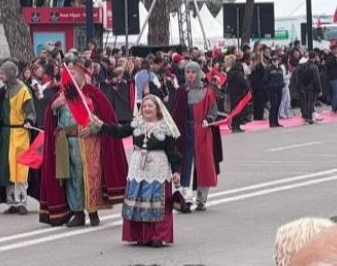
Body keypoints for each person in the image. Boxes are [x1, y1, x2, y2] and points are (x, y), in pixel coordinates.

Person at [38, 58, 127, 227]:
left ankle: (92, 212)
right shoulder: (61, 94)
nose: (69, 75)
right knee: (70, 178)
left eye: (73, 72)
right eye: (68, 72)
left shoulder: (93, 94)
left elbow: (105, 118)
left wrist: (93, 129)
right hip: (65, 142)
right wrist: (54, 107)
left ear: (82, 74)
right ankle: (77, 213)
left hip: (87, 142)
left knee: (88, 178)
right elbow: (51, 117)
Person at [91, 94, 181, 247]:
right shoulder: (136, 124)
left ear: (157, 109)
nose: (146, 108)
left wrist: (176, 172)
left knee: (156, 202)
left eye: (150, 106)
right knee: (139, 201)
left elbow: (173, 152)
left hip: (157, 168)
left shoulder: (166, 128)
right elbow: (118, 132)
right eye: (144, 106)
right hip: (138, 167)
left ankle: (157, 235)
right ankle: (141, 235)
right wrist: (101, 124)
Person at [0, 61, 37, 215]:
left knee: (20, 168)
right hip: (6, 135)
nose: (0, 76)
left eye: (2, 74)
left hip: (20, 133)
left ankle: (21, 201)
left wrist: (28, 121)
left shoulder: (23, 91)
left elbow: (30, 111)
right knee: (6, 168)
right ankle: (12, 201)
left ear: (10, 73)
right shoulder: (2, 92)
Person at [172, 61, 222, 212]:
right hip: (184, 132)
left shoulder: (207, 92)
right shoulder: (181, 92)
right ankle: (185, 197)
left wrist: (209, 120)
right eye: (188, 72)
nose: (190, 75)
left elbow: (213, 111)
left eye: (193, 72)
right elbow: (174, 112)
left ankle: (202, 198)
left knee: (204, 165)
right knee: (185, 165)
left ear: (198, 73)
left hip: (202, 130)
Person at [294, 53, 322, 125]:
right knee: (311, 103)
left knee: (306, 102)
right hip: (312, 87)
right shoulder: (314, 66)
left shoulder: (304, 65)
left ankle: (306, 117)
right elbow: (316, 79)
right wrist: (319, 89)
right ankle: (309, 118)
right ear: (315, 57)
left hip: (305, 86)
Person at [266, 55, 285, 128]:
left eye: (276, 60)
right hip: (272, 89)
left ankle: (276, 121)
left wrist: (282, 84)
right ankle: (271, 122)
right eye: (273, 60)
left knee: (278, 105)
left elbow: (281, 78)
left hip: (279, 89)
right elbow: (265, 79)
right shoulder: (269, 69)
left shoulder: (280, 69)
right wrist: (268, 87)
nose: (275, 62)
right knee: (274, 105)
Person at [324, 46, 337, 114]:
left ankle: (336, 106)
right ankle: (334, 108)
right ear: (333, 50)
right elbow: (327, 64)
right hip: (333, 78)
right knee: (336, 93)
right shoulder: (330, 57)